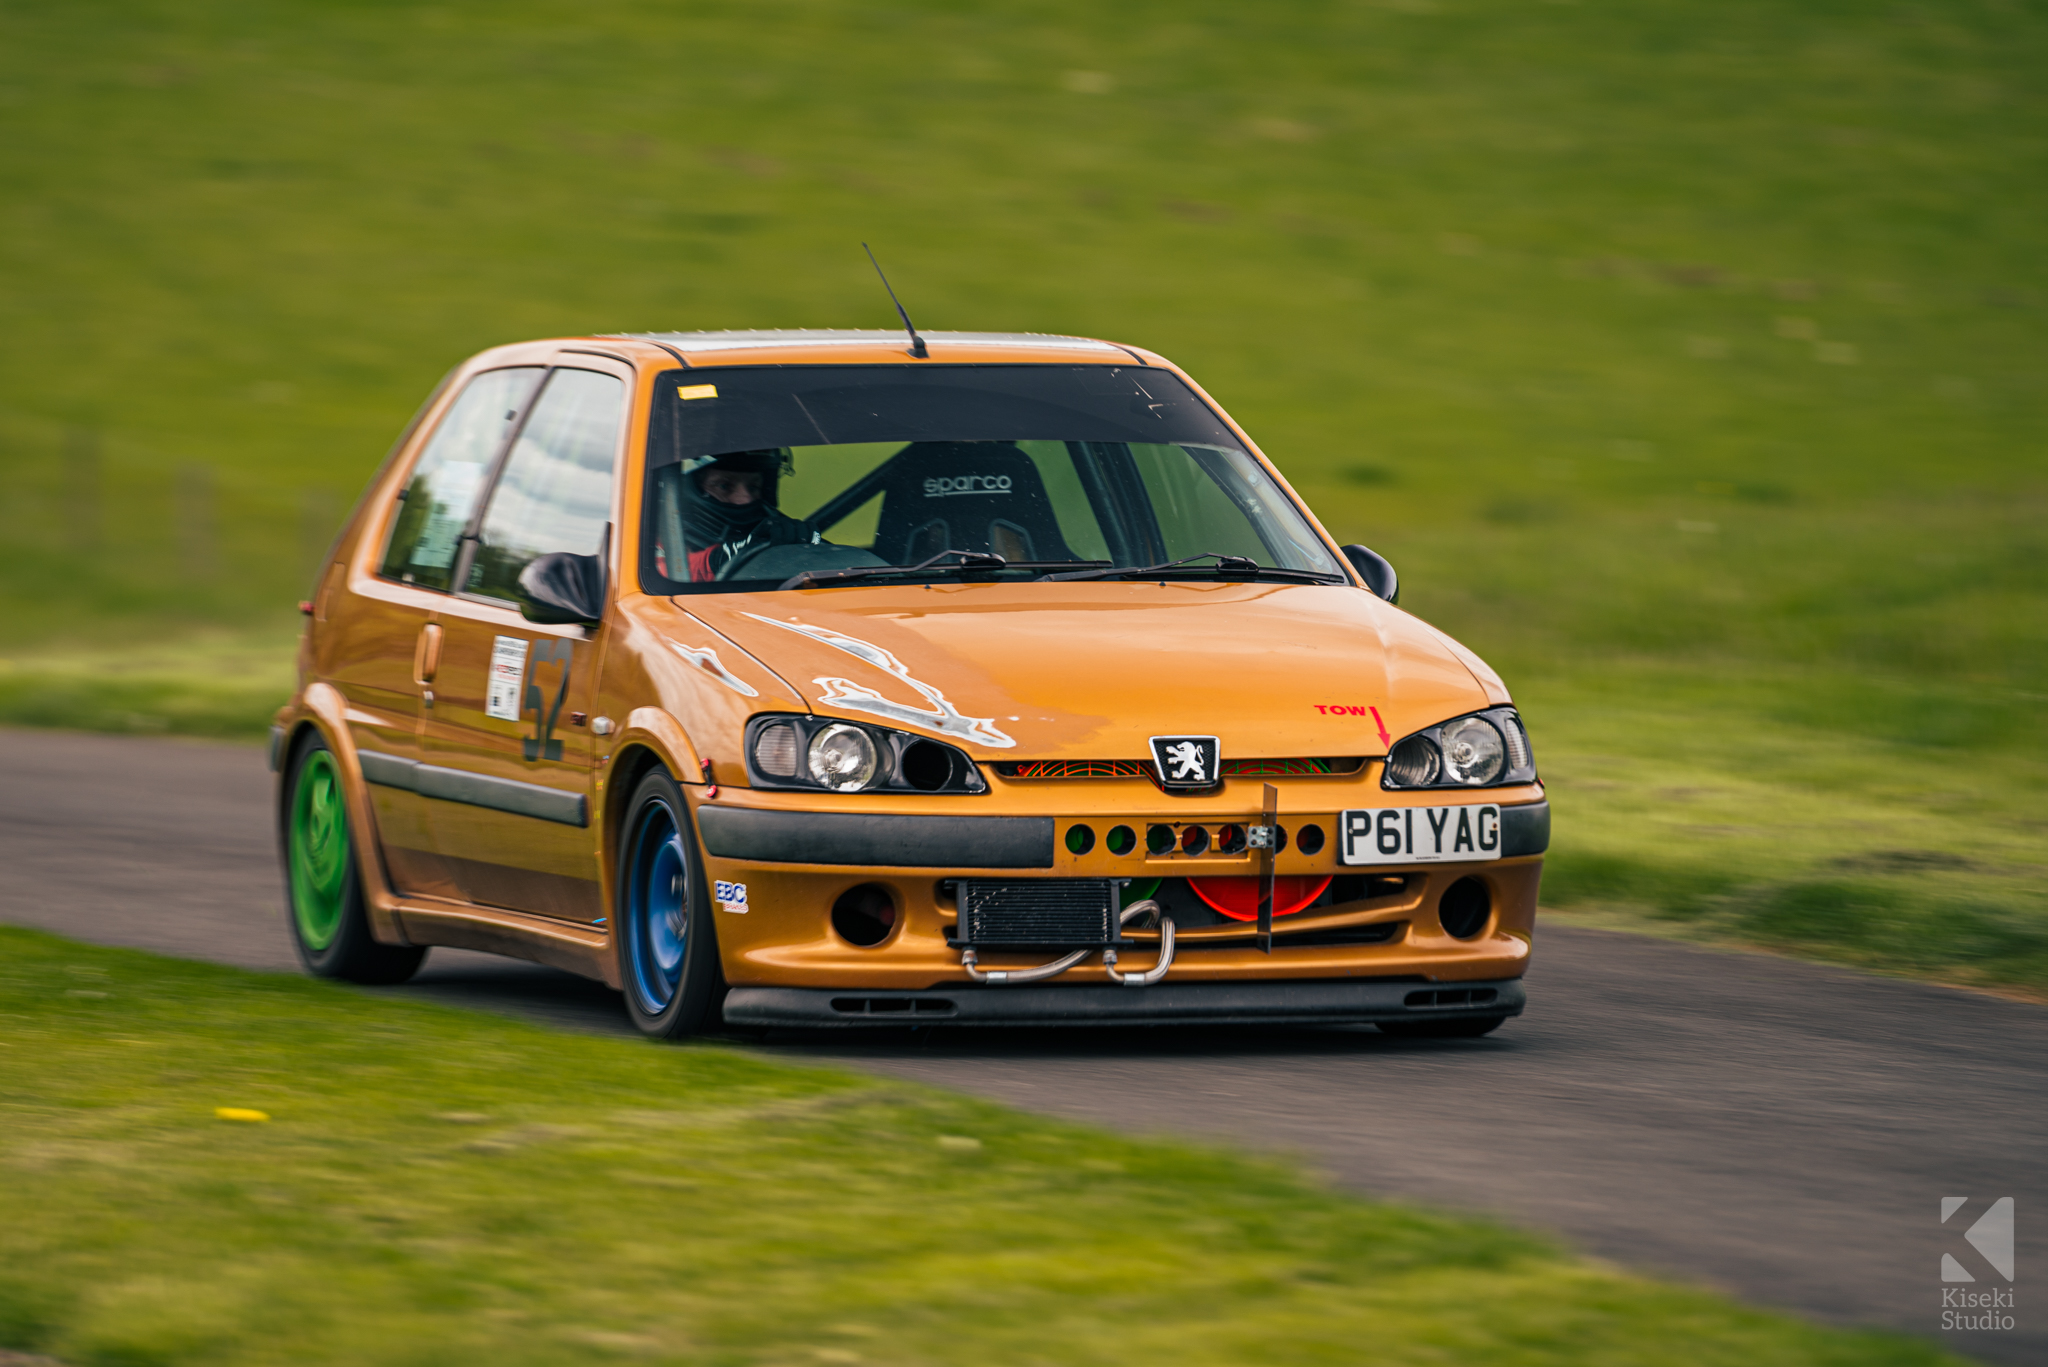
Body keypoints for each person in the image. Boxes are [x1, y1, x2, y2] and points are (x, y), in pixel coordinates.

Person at [681, 448, 819, 580]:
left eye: (753, 487)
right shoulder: (664, 541)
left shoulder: (771, 535)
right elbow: (667, 572)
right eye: (724, 486)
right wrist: (719, 559)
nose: (746, 499)